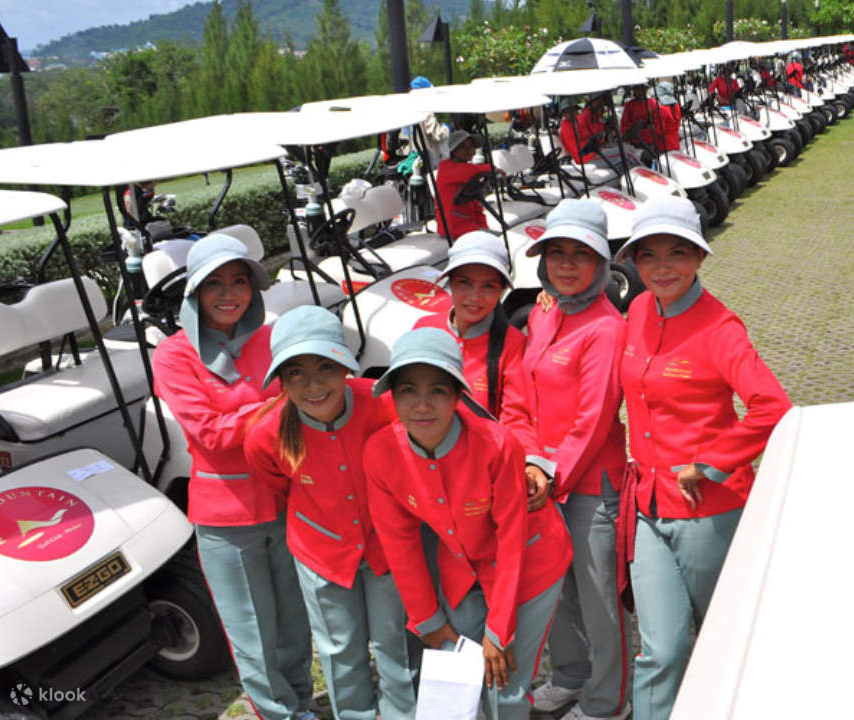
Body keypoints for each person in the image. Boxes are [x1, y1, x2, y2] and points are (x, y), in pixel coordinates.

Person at [613, 197, 791, 720]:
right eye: (648, 256)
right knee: (660, 650)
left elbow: (772, 406)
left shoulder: (720, 328)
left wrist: (711, 460)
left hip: (708, 510)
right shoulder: (639, 310)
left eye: (677, 253)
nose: (662, 267)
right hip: (646, 507)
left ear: (699, 258)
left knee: (727, 638)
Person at [363, 328, 572, 719]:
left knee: (506, 685)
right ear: (392, 396)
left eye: (438, 391)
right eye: (408, 390)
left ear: (459, 396)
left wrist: (499, 630)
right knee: (457, 678)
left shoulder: (497, 445)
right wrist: (428, 619)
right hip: (462, 567)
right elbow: (400, 544)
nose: (422, 405)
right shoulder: (380, 453)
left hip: (531, 563)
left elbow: (512, 537)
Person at [150, 234, 315, 720]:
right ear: (194, 293)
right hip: (226, 517)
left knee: (294, 622)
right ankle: (276, 713)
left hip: (288, 502)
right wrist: (281, 405)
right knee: (252, 630)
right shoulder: (174, 356)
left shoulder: (273, 338)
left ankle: (301, 702)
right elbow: (210, 436)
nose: (229, 293)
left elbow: (315, 400)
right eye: (214, 283)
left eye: (240, 280)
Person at [244, 306, 418, 720]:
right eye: (295, 373)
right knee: (340, 651)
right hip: (321, 552)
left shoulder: (382, 403)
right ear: (281, 380)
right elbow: (279, 484)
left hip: (387, 547)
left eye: (325, 366)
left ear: (345, 366)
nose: (313, 384)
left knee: (396, 641)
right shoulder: (264, 434)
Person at [517, 200, 631, 720]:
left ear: (600, 263)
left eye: (579, 254)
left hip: (589, 487)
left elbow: (594, 420)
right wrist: (525, 460)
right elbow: (519, 393)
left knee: (600, 600)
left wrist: (548, 470)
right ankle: (570, 676)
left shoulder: (605, 327)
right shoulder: (546, 312)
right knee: (554, 591)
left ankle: (608, 702)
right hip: (540, 478)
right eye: (556, 252)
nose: (566, 263)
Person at [413, 230, 533, 427]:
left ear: (500, 290)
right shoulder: (424, 329)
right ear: (450, 282)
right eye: (465, 283)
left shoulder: (513, 344)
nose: (475, 296)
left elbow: (515, 420)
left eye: (488, 286)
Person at [436, 129, 503, 240]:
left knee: (498, 238)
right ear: (454, 150)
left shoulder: (467, 170)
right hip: (453, 227)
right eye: (463, 147)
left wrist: (484, 227)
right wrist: (491, 168)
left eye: (471, 146)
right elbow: (469, 171)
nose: (469, 150)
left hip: (468, 225)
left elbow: (476, 204)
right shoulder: (447, 168)